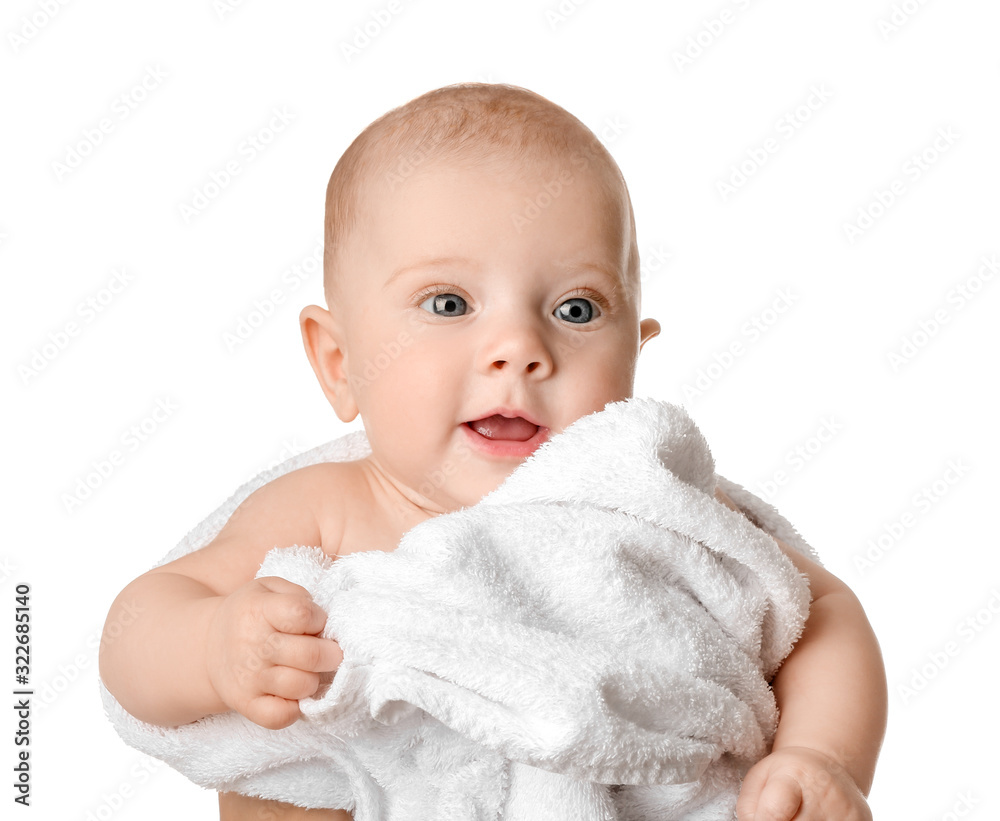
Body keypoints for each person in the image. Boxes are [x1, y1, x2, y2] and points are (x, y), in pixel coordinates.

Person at [99, 83, 887, 821]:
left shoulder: (655, 511)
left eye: (576, 308)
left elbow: (822, 619)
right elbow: (139, 623)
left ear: (636, 357)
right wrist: (212, 646)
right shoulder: (328, 510)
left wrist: (821, 755)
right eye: (449, 304)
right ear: (340, 363)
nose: (518, 347)